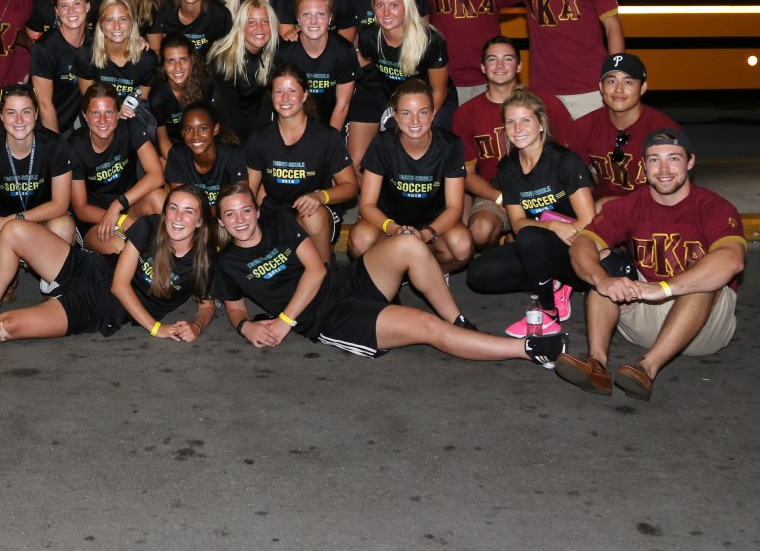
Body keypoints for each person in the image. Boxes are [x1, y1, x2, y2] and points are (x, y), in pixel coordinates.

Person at [212, 184, 566, 366]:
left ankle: (459, 320)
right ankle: (529, 349)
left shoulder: (278, 223)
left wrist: (284, 320)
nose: (240, 220)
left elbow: (317, 270)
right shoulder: (227, 263)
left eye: (246, 210)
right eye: (230, 215)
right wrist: (247, 327)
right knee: (427, 327)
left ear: (257, 211)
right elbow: (234, 307)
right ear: (221, 222)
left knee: (410, 243)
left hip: (345, 281)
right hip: (332, 319)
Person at [555, 129, 746, 401]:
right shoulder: (629, 206)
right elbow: (583, 243)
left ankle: (646, 369)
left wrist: (665, 288)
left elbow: (732, 260)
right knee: (606, 268)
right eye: (654, 160)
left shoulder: (714, 207)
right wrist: (601, 279)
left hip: (704, 327)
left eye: (674, 159)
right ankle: (595, 364)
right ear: (644, 167)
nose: (664, 169)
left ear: (690, 162)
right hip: (646, 315)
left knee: (704, 276)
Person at [0, 185, 216, 354]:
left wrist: (198, 326)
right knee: (14, 230)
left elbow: (207, 305)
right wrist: (155, 327)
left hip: (100, 307)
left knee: (9, 327)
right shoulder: (149, 227)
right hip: (92, 269)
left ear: (200, 221)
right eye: (173, 208)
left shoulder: (202, 261)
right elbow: (120, 282)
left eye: (188, 212)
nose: (177, 217)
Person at [465, 89, 597, 337]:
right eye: (511, 122)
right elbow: (517, 223)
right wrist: (551, 227)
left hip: (578, 244)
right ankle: (554, 282)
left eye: (525, 120)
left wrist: (555, 231)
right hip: (540, 243)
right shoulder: (507, 168)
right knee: (478, 275)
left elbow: (589, 223)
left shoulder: (564, 161)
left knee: (529, 237)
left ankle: (548, 312)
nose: (518, 128)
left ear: (540, 124)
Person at [451, 36, 574, 250]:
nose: (499, 66)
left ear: (519, 66)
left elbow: (571, 156)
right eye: (492, 59)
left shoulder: (547, 103)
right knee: (480, 231)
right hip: (497, 191)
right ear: (482, 66)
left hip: (546, 189)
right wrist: (502, 199)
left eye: (508, 59)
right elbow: (467, 175)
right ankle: (504, 247)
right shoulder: (466, 114)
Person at [347, 80, 473, 277]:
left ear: (433, 114)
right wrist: (394, 229)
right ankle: (389, 275)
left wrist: (426, 233)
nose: (415, 121)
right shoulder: (382, 143)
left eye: (422, 112)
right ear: (395, 116)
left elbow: (455, 208)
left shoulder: (450, 145)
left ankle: (429, 275)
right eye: (406, 113)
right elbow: (367, 205)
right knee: (359, 241)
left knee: (462, 246)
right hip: (389, 221)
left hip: (432, 224)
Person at [245, 64, 358, 265]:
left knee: (310, 215)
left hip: (318, 211)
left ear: (305, 95)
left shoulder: (327, 137)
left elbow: (350, 187)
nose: (285, 98)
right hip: (276, 211)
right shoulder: (259, 139)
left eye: (292, 91)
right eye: (279, 91)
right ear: (271, 96)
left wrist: (320, 196)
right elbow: (249, 190)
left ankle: (325, 275)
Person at [0, 84, 76, 283]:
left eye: (26, 112)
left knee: (64, 228)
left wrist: (15, 220)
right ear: (1, 117)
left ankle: (52, 281)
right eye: (11, 113)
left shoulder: (55, 144)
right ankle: (8, 274)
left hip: (42, 219)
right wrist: (10, 228)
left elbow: (60, 204)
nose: (19, 120)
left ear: (35, 115)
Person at [349, 0, 451, 169]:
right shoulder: (370, 35)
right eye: (380, 5)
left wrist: (423, 119)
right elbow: (359, 62)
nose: (386, 12)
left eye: (394, 5)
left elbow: (439, 91)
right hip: (393, 101)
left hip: (432, 103)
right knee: (362, 162)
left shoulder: (430, 39)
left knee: (426, 160)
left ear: (407, 6)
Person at [569, 53, 679, 209]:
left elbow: (673, 192)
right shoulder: (584, 127)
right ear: (601, 87)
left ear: (643, 88)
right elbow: (569, 178)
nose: (619, 89)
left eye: (628, 82)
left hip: (653, 209)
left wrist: (617, 205)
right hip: (604, 210)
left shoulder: (664, 131)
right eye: (611, 81)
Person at [66, 83, 166, 255]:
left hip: (126, 204)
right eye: (95, 113)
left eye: (109, 112)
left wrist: (118, 205)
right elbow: (81, 209)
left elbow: (157, 176)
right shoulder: (75, 146)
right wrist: (120, 219)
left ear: (119, 113)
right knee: (125, 248)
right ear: (85, 115)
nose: (103, 120)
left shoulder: (130, 126)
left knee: (161, 199)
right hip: (95, 219)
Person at [277, 0, 358, 132]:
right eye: (306, 15)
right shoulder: (285, 52)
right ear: (297, 19)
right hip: (294, 123)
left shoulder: (344, 51)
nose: (313, 21)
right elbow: (282, 101)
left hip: (332, 122)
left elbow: (342, 104)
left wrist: (329, 142)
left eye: (320, 14)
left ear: (330, 17)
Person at [208, 0, 279, 145]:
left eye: (265, 21)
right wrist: (250, 144)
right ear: (241, 25)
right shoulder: (223, 59)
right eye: (251, 22)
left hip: (256, 127)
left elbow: (265, 106)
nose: (259, 28)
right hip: (226, 131)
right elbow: (230, 110)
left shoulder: (274, 55)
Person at [75, 0, 158, 112]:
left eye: (123, 19)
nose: (117, 26)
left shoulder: (147, 59)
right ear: (101, 25)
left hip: (131, 115)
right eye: (109, 20)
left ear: (132, 22)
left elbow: (142, 101)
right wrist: (116, 109)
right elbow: (90, 101)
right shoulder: (87, 55)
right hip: (98, 114)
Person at [31, 0, 93, 133]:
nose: (71, 11)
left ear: (87, 6)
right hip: (44, 129)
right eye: (64, 6)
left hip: (76, 125)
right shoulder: (44, 48)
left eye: (77, 4)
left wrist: (138, 40)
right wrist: (55, 145)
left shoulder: (95, 41)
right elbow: (44, 104)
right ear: (57, 11)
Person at [163, 102, 247, 207]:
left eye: (203, 128)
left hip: (227, 217)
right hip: (193, 218)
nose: (196, 136)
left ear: (215, 129)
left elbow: (241, 201)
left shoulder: (233, 154)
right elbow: (181, 203)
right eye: (189, 129)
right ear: (183, 133)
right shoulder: (177, 155)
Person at [147, 33, 215, 160]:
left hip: (201, 143)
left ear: (192, 61)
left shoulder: (205, 84)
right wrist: (180, 166)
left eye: (183, 59)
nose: (178, 67)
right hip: (173, 148)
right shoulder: (157, 97)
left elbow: (212, 129)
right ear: (163, 65)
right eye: (171, 61)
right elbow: (163, 140)